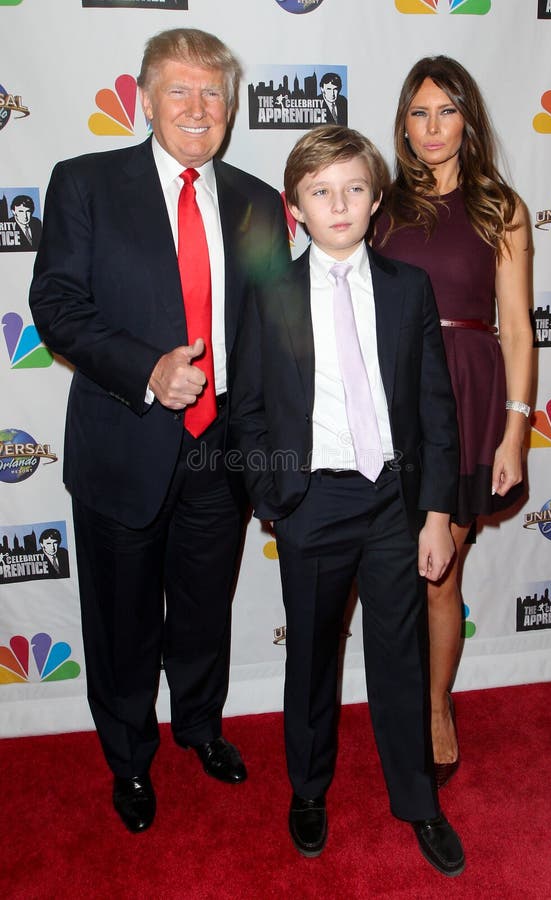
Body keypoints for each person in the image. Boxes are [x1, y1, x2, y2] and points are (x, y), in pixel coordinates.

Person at [29, 28, 289, 833]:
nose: (198, 108)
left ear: (232, 106)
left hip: (223, 452)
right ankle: (129, 760)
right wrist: (148, 370)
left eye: (214, 93)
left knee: (205, 610)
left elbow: (275, 328)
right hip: (122, 444)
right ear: (144, 98)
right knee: (122, 621)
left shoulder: (256, 200)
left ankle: (201, 728)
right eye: (180, 90)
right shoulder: (85, 183)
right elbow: (56, 307)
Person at [229, 125, 465, 877]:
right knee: (311, 659)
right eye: (321, 191)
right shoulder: (268, 294)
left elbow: (435, 405)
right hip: (313, 502)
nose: (340, 204)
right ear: (296, 206)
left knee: (401, 654)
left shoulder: (408, 289)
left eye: (354, 189)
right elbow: (251, 409)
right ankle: (308, 789)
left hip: (394, 502)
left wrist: (435, 512)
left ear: (375, 199)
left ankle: (420, 803)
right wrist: (276, 498)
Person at [373, 56, 533, 787]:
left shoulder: (502, 206)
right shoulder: (378, 202)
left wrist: (515, 434)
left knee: (441, 574)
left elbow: (521, 332)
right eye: (418, 112)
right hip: (391, 397)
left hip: (468, 395)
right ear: (403, 124)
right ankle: (398, 703)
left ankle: (436, 708)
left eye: (446, 110)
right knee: (391, 574)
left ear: (468, 118)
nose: (432, 127)